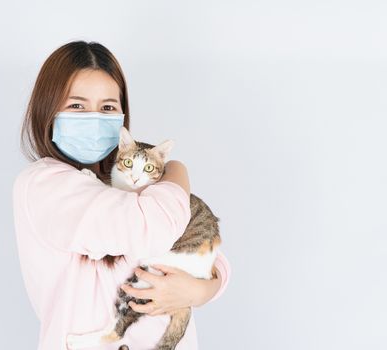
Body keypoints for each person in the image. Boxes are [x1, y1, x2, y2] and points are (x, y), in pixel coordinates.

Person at [12, 40, 231, 350]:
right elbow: (153, 228)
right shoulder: (44, 185)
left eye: (107, 107)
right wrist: (178, 171)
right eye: (77, 105)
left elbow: (213, 259)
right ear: (48, 110)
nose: (93, 117)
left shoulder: (120, 184)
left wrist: (199, 292)